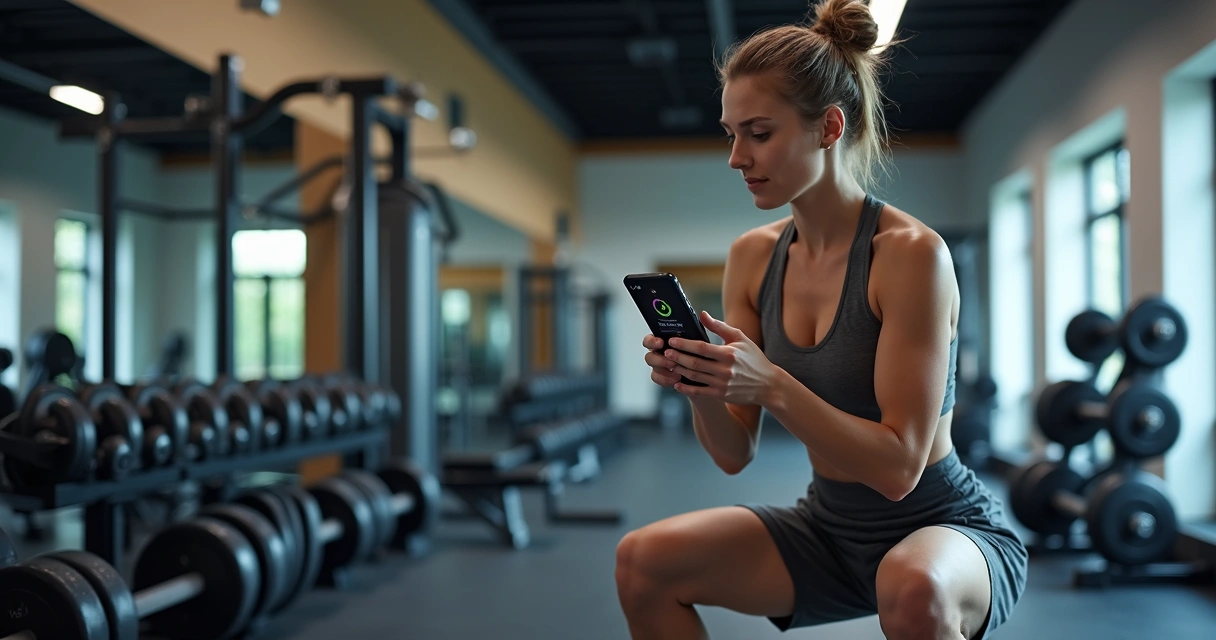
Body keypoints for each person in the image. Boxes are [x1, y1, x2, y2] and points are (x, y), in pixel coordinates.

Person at [613, 1, 1029, 639]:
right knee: (644, 561)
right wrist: (698, 388)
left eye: (759, 132)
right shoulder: (753, 257)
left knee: (911, 585)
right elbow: (733, 454)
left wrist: (772, 384)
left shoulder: (911, 256)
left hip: (944, 531)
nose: (736, 157)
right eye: (731, 134)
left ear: (829, 127)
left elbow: (897, 470)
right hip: (828, 529)